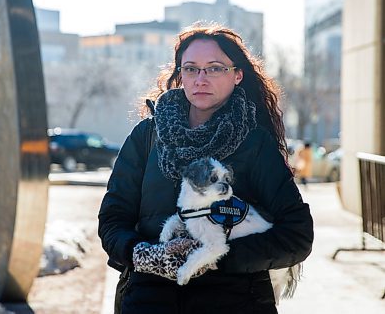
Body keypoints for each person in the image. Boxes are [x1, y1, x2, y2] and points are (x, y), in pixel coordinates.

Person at [98, 22, 314, 314]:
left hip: (235, 301)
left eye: (214, 68)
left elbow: (296, 236)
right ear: (179, 76)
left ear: (237, 75)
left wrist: (215, 257)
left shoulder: (256, 143)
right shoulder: (147, 136)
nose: (201, 79)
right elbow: (112, 220)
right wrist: (143, 255)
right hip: (149, 300)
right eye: (191, 69)